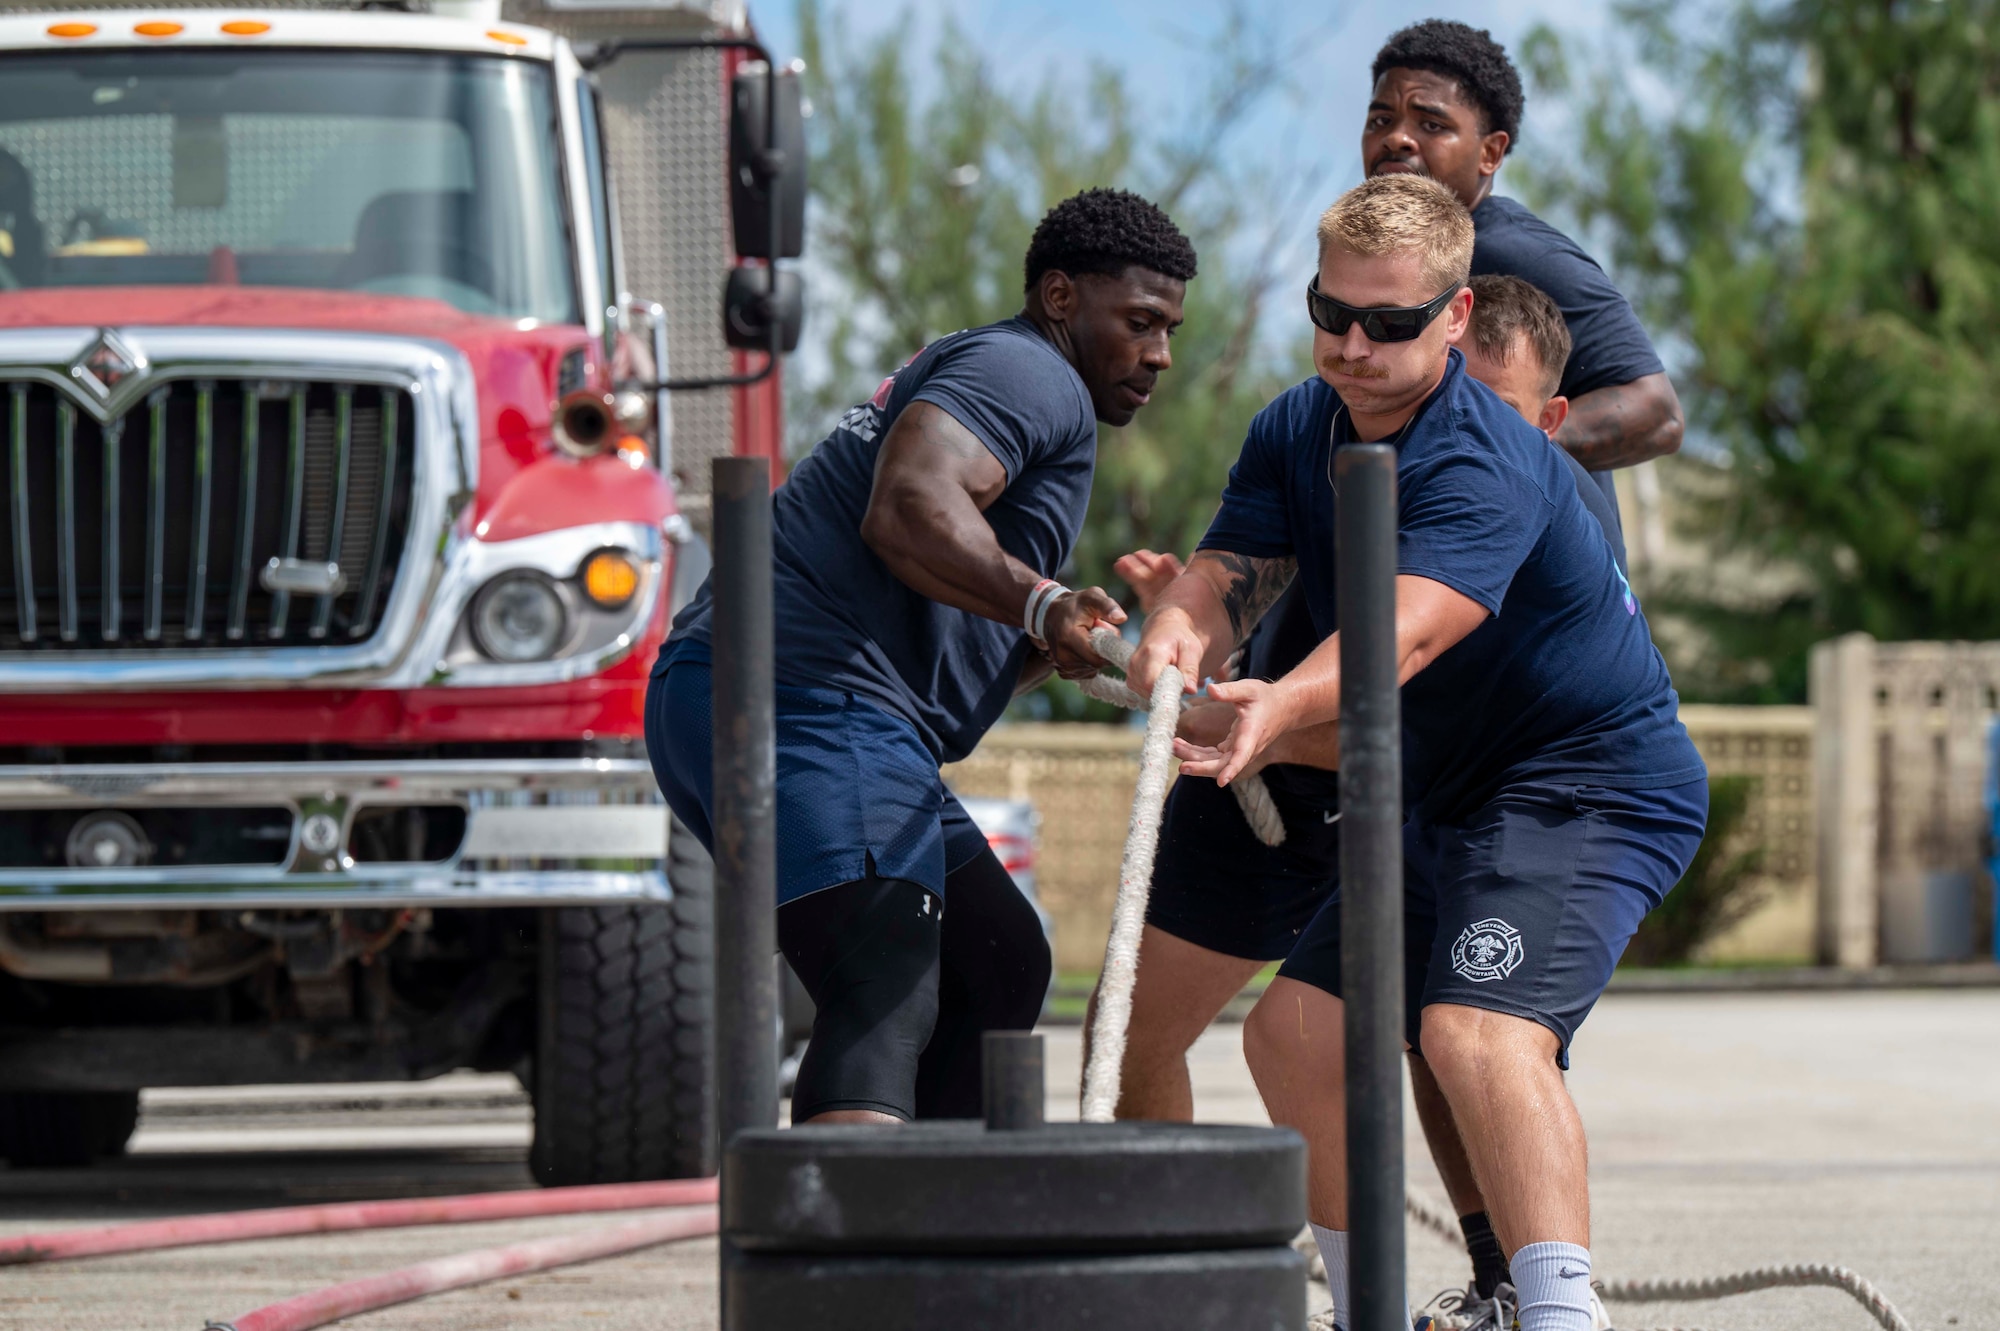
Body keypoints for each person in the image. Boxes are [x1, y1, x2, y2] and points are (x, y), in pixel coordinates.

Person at [1127, 175, 1708, 1331]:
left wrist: (1271, 705)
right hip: (1440, 790)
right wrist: (1177, 635)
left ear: (1452, 316)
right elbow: (1229, 566)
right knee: (1293, 1033)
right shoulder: (1298, 422)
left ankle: (1554, 1316)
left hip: (1587, 782)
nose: (1351, 344)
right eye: (1328, 312)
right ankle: (1363, 1315)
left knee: (1473, 1030)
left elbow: (1406, 626)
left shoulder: (1482, 453)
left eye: (1387, 322)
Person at [646, 188, 1197, 1125]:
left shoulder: (1016, 380)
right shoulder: (1032, 374)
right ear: (1061, 297)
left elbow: (924, 613)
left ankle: (938, 1244)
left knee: (996, 960)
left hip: (789, 698)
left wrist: (1039, 642)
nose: (1160, 356)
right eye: (1140, 322)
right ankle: (851, 1262)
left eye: (1173, 330)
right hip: (807, 697)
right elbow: (905, 505)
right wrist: (1042, 599)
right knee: (887, 969)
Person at [1088, 274, 1627, 1145]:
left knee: (1456, 1032)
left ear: (1550, 424)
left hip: (1400, 786)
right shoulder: (1335, 436)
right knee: (1140, 1032)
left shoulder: (1540, 528)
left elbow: (1463, 739)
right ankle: (1164, 1255)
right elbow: (1234, 586)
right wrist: (1188, 618)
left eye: (1493, 406)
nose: (1454, 421)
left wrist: (1275, 725)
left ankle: (1505, 1271)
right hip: (1270, 765)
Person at [1366, 19, 1681, 528]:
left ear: (1490, 152)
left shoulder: (1514, 251)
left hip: (1533, 595)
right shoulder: (1384, 270)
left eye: (1431, 124)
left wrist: (1483, 455)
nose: (1397, 138)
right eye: (1380, 120)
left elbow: (1658, 414)